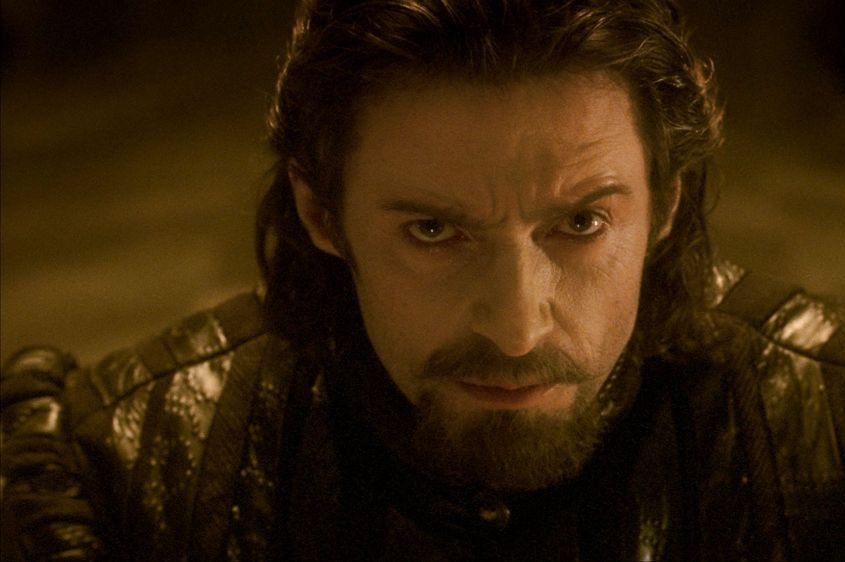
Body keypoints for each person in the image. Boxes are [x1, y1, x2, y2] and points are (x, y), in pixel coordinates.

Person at [2, 0, 842, 560]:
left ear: (664, 207)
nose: (516, 328)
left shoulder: (823, 425)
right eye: (434, 231)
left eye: (581, 224)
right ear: (321, 212)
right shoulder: (124, 470)